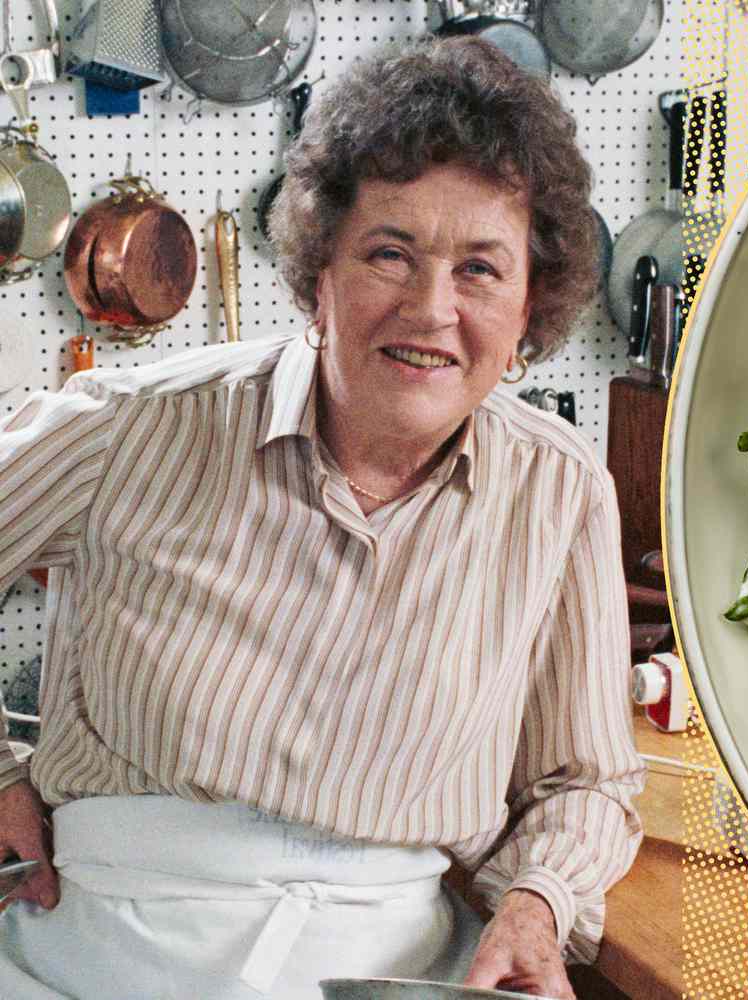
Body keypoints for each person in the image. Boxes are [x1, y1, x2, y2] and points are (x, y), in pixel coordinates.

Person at [0, 36, 642, 1000]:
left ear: (529, 308)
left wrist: (536, 902)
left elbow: (584, 781)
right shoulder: (132, 427)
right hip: (108, 946)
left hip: (396, 964)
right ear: (320, 274)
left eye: (480, 269)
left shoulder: (560, 488)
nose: (431, 309)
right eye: (391, 254)